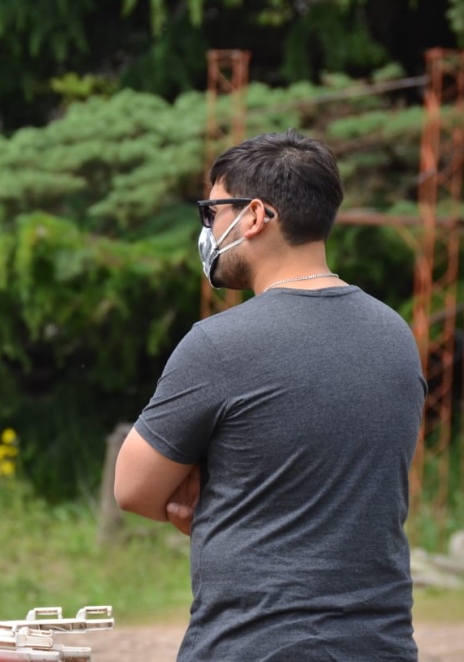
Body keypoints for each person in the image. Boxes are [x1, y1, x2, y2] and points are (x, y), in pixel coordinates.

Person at [113, 130, 425, 660]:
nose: (208, 230)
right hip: (381, 644)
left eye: (212, 212)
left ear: (254, 216)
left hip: (255, 645)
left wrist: (205, 487)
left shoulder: (220, 344)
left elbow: (134, 488)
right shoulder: (396, 335)